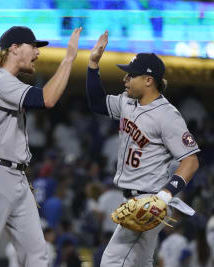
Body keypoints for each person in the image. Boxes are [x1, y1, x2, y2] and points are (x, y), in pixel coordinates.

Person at [0, 25, 82, 267]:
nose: (38, 53)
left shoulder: (5, 81)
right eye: (34, 46)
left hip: (16, 175)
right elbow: (47, 99)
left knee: (37, 255)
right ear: (15, 48)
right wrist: (69, 58)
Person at [86, 31, 200, 266]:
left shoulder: (168, 116)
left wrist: (164, 196)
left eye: (131, 75)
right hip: (133, 200)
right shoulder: (128, 102)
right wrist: (93, 65)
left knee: (111, 262)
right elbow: (97, 103)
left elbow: (191, 161)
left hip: (150, 202)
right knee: (141, 262)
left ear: (148, 80)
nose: (125, 80)